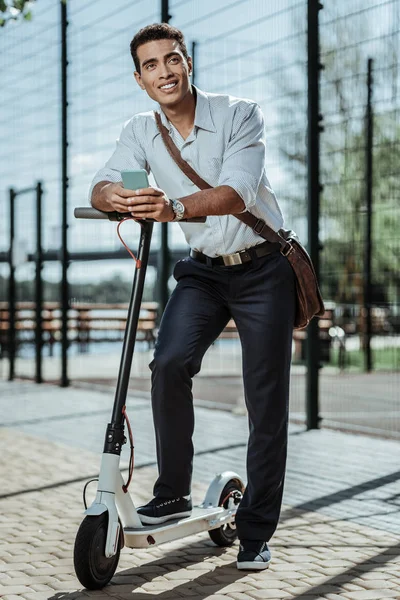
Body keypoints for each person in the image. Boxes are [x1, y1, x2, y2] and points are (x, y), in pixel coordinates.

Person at [89, 23, 295, 571]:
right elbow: (107, 182)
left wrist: (175, 209)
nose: (164, 72)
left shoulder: (238, 114)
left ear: (187, 63)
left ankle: (254, 531)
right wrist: (118, 195)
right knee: (168, 363)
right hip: (203, 273)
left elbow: (238, 191)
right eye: (151, 65)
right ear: (140, 79)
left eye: (172, 59)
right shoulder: (142, 130)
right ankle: (173, 489)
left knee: (265, 402)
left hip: (262, 267)